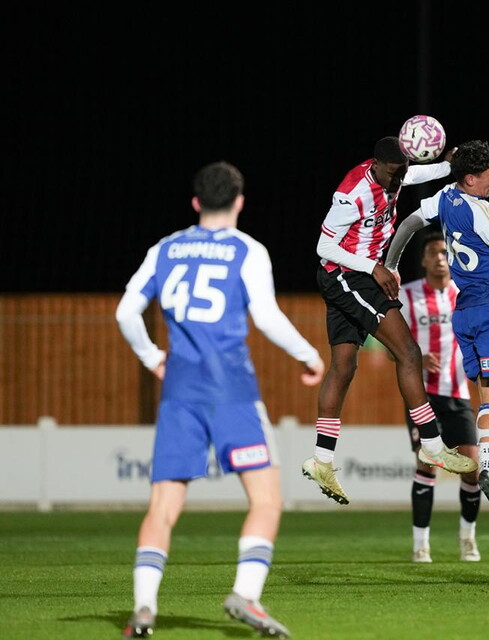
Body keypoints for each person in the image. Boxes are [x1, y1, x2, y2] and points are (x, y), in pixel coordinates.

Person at [115, 161, 325, 639]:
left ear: (195, 203)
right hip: (231, 390)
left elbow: (126, 311)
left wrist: (152, 357)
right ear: (239, 202)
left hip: (179, 393)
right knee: (267, 500)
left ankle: (144, 608)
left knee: (163, 507)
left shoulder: (165, 248)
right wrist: (310, 355)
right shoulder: (247, 250)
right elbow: (267, 317)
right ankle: (245, 594)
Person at [385, 139, 489, 518]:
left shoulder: (446, 197)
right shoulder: (481, 209)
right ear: (469, 178)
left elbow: (411, 221)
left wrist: (392, 262)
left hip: (465, 311)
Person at [303, 136, 476, 505]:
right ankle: (431, 443)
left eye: (403, 174)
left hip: (356, 274)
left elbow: (415, 175)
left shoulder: (394, 175)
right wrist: (375, 267)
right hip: (346, 275)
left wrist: (450, 165)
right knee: (409, 352)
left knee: (344, 366)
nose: (399, 182)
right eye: (394, 175)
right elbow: (323, 247)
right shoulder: (352, 194)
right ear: (377, 165)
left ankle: (321, 460)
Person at [400, 231, 482, 562]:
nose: (439, 257)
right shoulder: (407, 295)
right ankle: (421, 544)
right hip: (422, 395)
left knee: (472, 467)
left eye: (444, 252)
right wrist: (415, 357)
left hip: (458, 393)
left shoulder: (464, 294)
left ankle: (468, 539)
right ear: (423, 259)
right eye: (433, 252)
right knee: (427, 463)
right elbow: (383, 341)